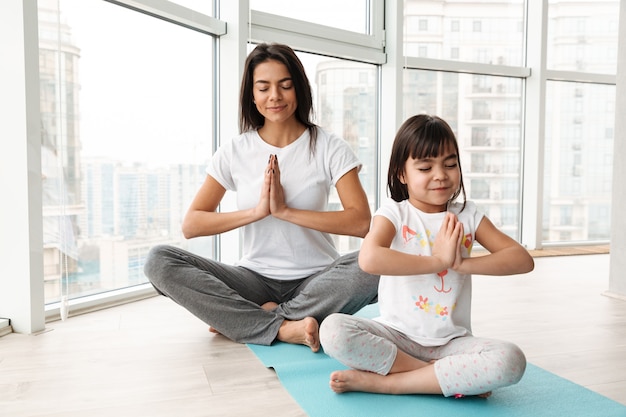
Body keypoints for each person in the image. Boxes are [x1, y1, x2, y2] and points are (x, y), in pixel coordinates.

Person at [143, 43, 379, 352]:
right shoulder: (236, 150)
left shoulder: (328, 146)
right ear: (251, 95)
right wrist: (257, 212)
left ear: (299, 89)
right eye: (263, 87)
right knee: (159, 261)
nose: (275, 97)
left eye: (285, 85)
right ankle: (282, 328)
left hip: (317, 280)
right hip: (253, 280)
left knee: (375, 263)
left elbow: (361, 222)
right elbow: (192, 224)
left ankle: (248, 320)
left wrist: (285, 211)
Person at [319, 114, 534, 397]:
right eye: (425, 167)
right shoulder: (393, 214)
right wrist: (438, 262)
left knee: (511, 360)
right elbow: (369, 259)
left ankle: (390, 384)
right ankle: (438, 376)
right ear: (401, 173)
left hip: (452, 344)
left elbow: (522, 259)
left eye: (450, 164)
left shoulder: (467, 216)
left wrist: (461, 263)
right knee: (333, 330)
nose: (441, 175)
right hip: (396, 337)